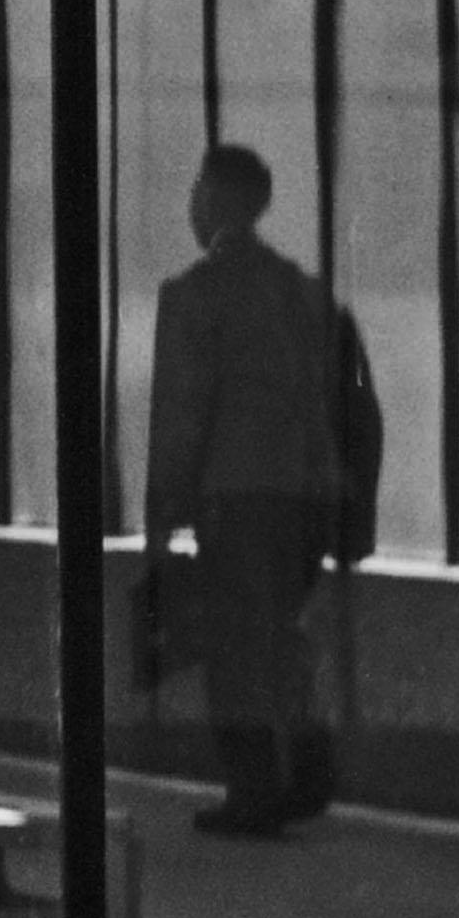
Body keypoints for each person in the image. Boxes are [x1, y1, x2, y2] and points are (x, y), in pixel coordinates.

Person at [141, 138, 345, 839]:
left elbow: (183, 410)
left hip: (233, 494)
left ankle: (252, 791)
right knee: (282, 639)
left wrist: (163, 510)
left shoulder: (193, 294)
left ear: (214, 200)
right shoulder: (300, 290)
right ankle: (309, 762)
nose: (191, 205)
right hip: (303, 493)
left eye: (197, 192)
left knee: (233, 652)